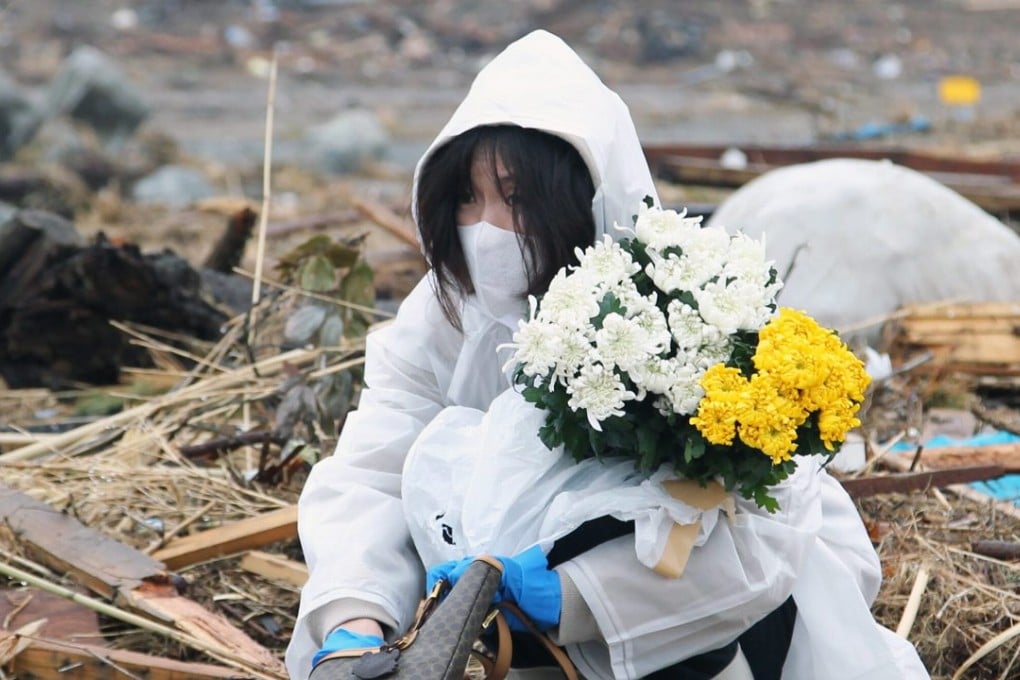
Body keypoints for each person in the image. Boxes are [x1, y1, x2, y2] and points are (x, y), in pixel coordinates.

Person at [287, 30, 930, 680]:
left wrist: (575, 591)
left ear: (578, 198)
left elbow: (752, 527)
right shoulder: (441, 314)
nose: (485, 227)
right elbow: (373, 467)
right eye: (467, 198)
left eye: (514, 199)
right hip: (510, 640)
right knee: (447, 447)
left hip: (694, 637)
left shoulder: (675, 313)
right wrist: (354, 620)